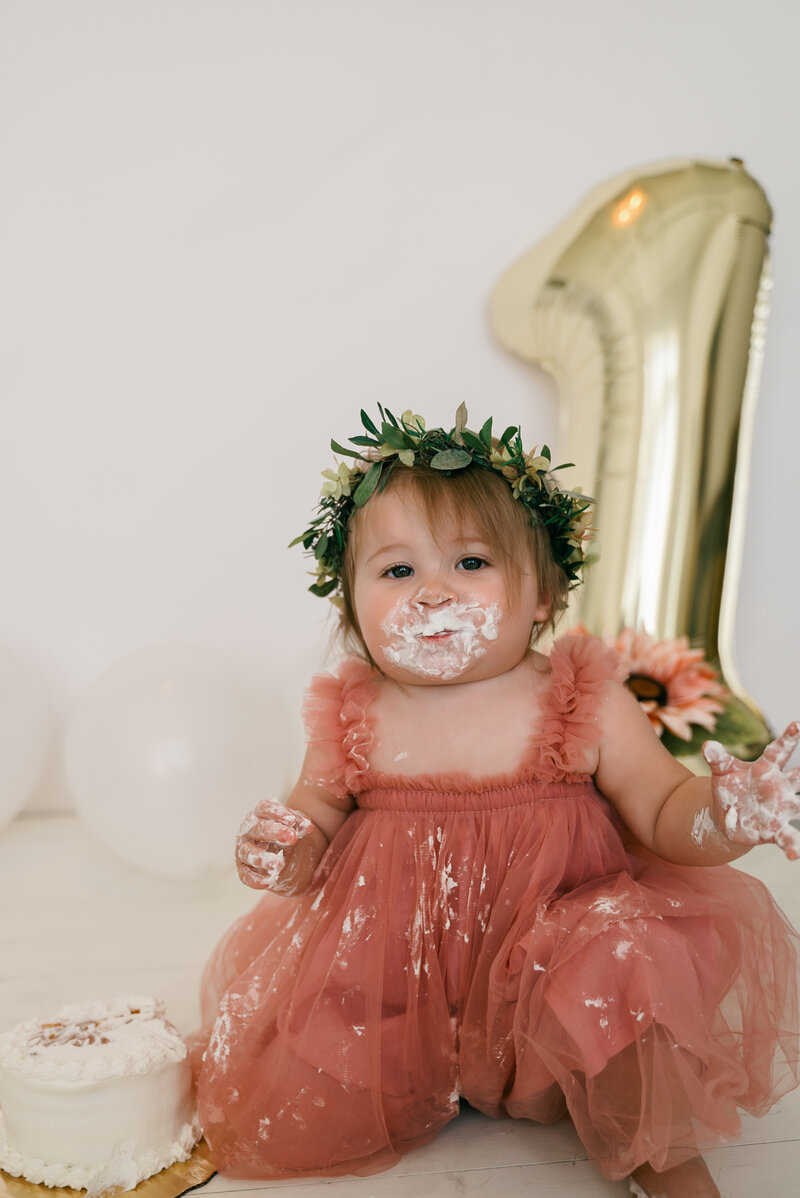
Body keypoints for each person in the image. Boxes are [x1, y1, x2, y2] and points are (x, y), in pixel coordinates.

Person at [192, 406, 800, 1198]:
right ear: (351, 609)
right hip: (400, 983)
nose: (434, 593)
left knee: (626, 957)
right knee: (309, 1047)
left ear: (544, 595)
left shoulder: (578, 694)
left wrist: (727, 813)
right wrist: (287, 846)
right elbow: (314, 816)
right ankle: (404, 1077)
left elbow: (661, 809)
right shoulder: (355, 710)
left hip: (554, 985)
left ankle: (658, 1150)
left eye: (470, 562)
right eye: (398, 571)